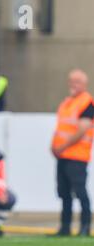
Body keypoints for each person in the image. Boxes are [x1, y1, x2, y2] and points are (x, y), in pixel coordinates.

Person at [51, 69, 94, 236]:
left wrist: (62, 146)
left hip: (77, 156)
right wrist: (53, 146)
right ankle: (65, 227)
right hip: (62, 155)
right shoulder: (67, 102)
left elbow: (82, 129)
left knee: (80, 192)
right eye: (71, 80)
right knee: (64, 193)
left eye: (77, 81)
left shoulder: (87, 102)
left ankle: (85, 227)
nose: (73, 84)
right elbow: (60, 128)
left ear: (84, 84)